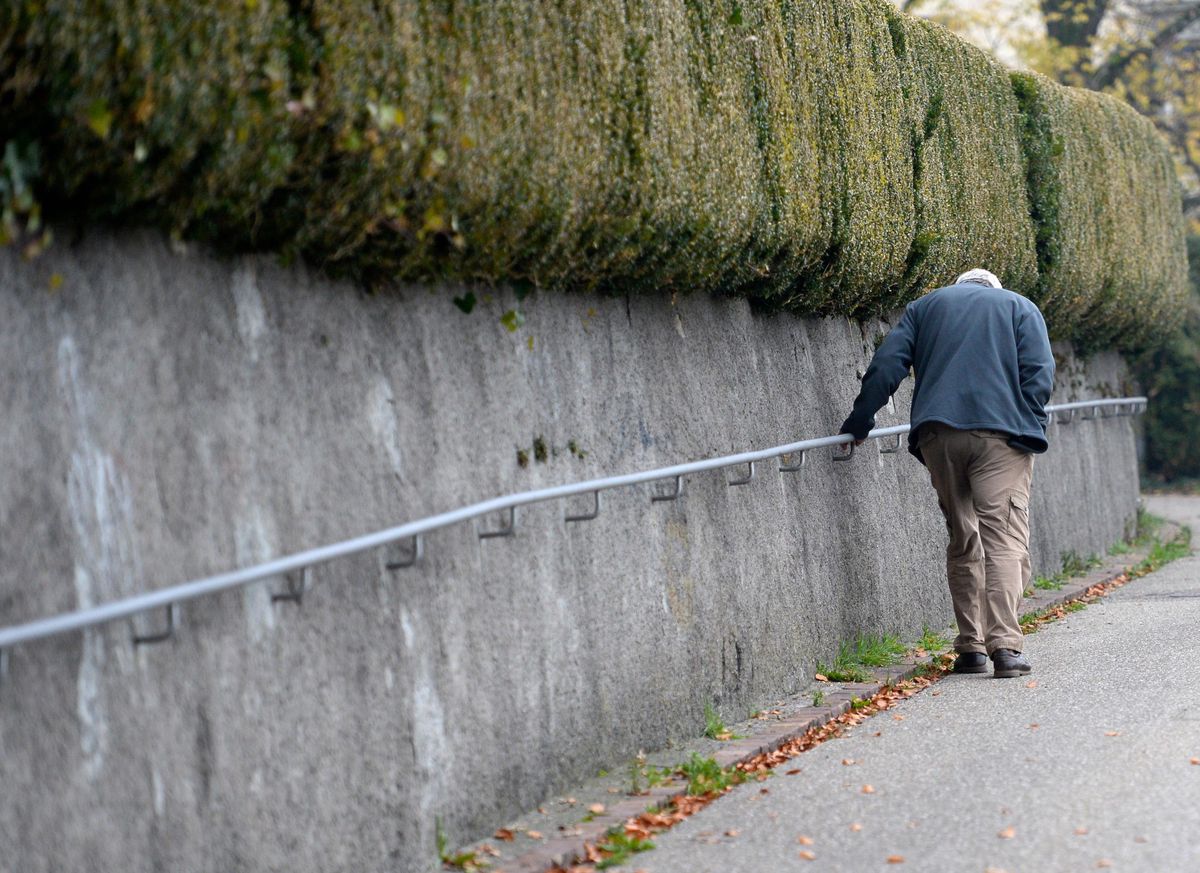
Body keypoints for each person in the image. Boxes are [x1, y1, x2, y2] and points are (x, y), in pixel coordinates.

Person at [839, 268, 1055, 678]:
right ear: (994, 287)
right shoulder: (1019, 307)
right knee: (1004, 538)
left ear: (958, 287)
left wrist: (860, 419)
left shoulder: (925, 307)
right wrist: (1029, 425)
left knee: (963, 535)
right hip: (1001, 436)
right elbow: (1039, 372)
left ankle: (971, 647)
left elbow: (889, 363)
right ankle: (1005, 647)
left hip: (939, 434)